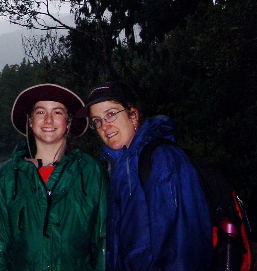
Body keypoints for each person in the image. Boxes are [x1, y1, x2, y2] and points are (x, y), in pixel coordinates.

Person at [83, 80, 213, 270]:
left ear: (133, 116)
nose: (104, 126)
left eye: (111, 114)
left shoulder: (162, 158)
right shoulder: (119, 168)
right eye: (97, 121)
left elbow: (183, 245)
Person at [0, 84, 108, 271]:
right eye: (40, 112)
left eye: (58, 113)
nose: (48, 120)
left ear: (68, 122)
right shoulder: (11, 173)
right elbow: (0, 243)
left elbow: (103, 239)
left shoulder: (89, 170)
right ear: (30, 121)